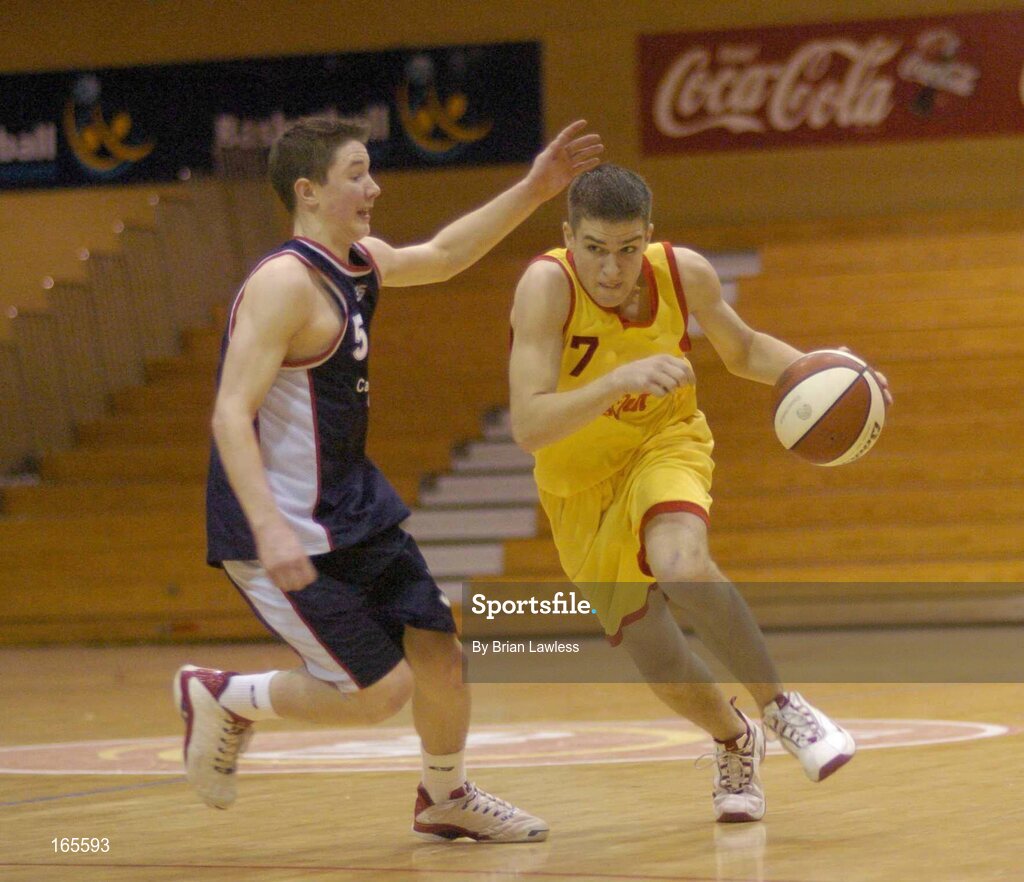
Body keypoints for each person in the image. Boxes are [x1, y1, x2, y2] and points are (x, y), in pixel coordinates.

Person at [173, 115, 603, 843]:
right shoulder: (284, 283)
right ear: (308, 192)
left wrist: (535, 189)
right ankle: (223, 695)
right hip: (284, 524)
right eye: (355, 174)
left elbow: (440, 255)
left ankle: (445, 795)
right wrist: (271, 528)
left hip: (353, 506)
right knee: (380, 694)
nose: (373, 186)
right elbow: (227, 415)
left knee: (442, 657)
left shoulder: (357, 262)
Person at [507, 163, 892, 824]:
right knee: (654, 652)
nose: (611, 268)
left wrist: (835, 374)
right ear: (569, 236)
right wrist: (615, 379)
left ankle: (781, 709)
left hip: (665, 441)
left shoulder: (683, 273)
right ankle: (734, 739)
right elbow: (529, 425)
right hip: (577, 485)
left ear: (648, 237)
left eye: (628, 249)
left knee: (682, 563)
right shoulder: (546, 288)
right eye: (595, 248)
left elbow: (741, 350)